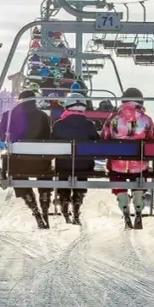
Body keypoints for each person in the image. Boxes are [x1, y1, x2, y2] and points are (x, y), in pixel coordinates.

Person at [102, 87, 154, 229]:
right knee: (141, 171)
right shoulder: (146, 120)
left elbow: (104, 138)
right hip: (139, 165)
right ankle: (138, 205)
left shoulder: (113, 118)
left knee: (115, 171)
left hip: (117, 165)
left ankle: (124, 205)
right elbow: (153, 140)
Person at [0, 90, 54, 228]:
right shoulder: (42, 116)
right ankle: (45, 206)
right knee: (45, 173)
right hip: (40, 162)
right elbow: (47, 137)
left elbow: (2, 137)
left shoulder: (9, 115)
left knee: (19, 175)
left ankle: (35, 210)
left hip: (18, 163)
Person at [51, 93, 99, 224]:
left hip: (63, 164)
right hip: (84, 165)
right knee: (81, 171)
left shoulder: (59, 124)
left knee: (63, 171)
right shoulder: (89, 125)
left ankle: (64, 200)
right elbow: (97, 143)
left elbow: (52, 144)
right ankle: (77, 203)